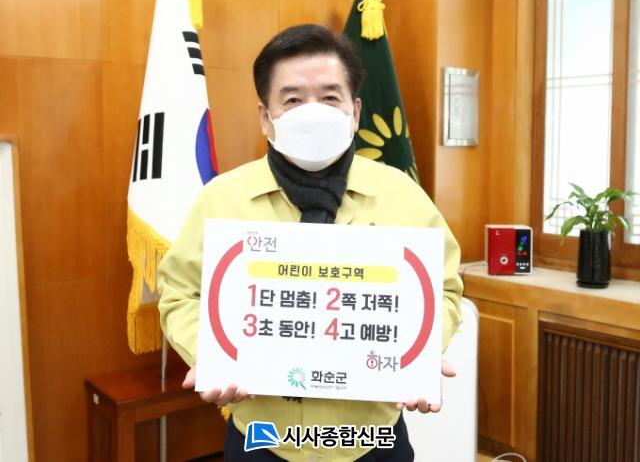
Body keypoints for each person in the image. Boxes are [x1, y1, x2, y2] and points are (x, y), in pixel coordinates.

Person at [158, 24, 464, 461]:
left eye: (329, 97)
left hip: (371, 440)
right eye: (293, 100)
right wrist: (212, 354)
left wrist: (418, 352)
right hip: (263, 438)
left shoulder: (402, 195)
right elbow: (180, 293)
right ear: (266, 116)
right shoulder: (221, 199)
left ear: (354, 112)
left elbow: (445, 289)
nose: (313, 112)